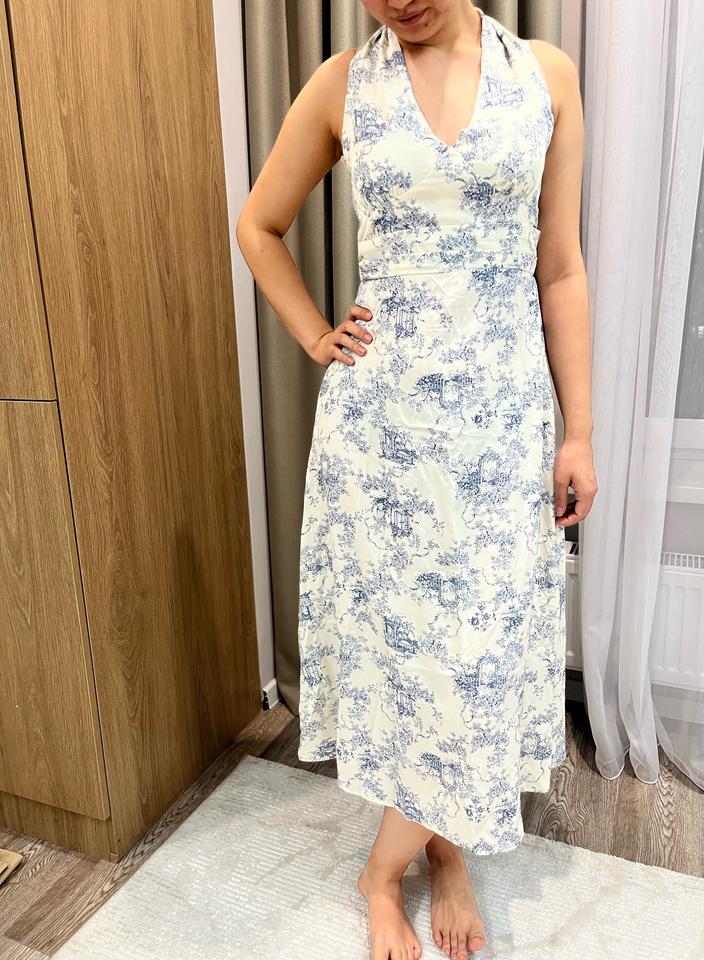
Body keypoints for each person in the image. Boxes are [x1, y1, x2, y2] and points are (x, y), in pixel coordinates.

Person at [237, 2, 596, 958]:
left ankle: (428, 850)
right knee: (414, 661)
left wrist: (581, 431)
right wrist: (317, 335)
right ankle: (404, 864)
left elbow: (560, 270)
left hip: (502, 430)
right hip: (384, 435)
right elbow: (259, 224)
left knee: (475, 659)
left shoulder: (546, 78)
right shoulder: (342, 86)